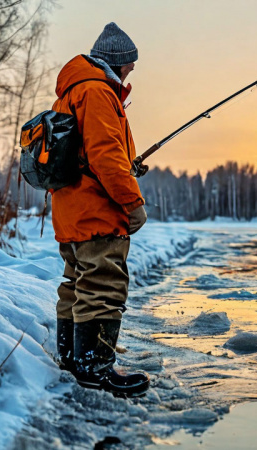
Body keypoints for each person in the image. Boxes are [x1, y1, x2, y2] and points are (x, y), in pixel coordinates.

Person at [51, 22, 149, 397]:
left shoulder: (73, 92)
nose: (132, 71)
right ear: (117, 62)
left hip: (72, 208)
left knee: (77, 283)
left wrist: (129, 166)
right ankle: (96, 368)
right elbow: (105, 157)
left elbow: (90, 153)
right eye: (130, 65)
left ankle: (73, 359)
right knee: (103, 284)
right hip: (96, 211)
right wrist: (132, 201)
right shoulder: (97, 92)